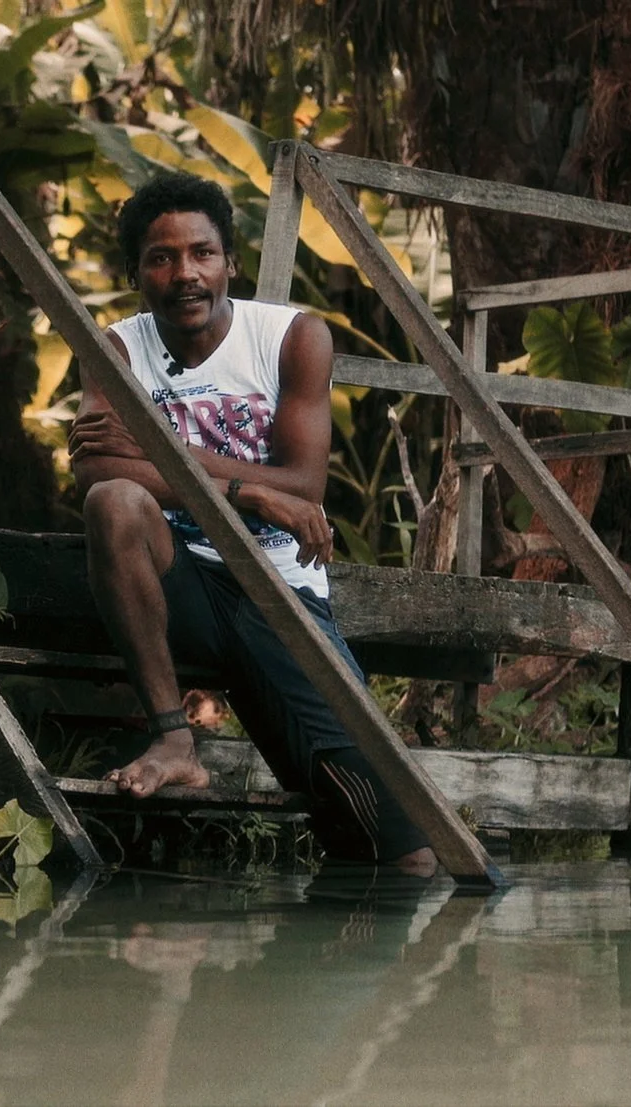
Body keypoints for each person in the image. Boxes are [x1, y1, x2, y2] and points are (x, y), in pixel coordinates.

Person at [67, 172, 435, 874]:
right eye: (162, 257)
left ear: (230, 261)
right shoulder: (118, 348)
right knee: (113, 502)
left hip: (279, 593)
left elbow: (304, 484)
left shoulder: (293, 338)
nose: (185, 274)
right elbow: (96, 473)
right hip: (179, 585)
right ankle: (173, 739)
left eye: (202, 253)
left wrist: (153, 449)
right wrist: (245, 489)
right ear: (136, 273)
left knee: (406, 854)